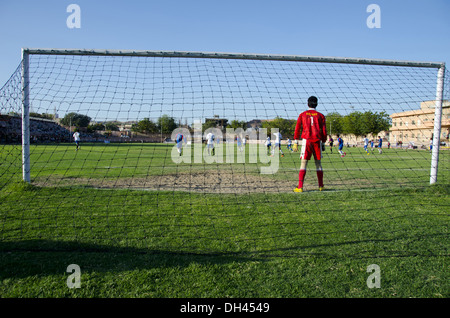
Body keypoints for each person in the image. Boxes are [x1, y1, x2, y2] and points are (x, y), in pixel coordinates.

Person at [292, 96, 327, 192]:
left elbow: (297, 128)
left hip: (306, 140)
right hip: (317, 140)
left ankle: (300, 187)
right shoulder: (321, 116)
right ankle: (321, 186)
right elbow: (324, 131)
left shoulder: (302, 114)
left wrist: (295, 141)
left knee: (303, 164)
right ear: (317, 104)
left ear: (307, 104)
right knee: (318, 164)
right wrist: (323, 142)